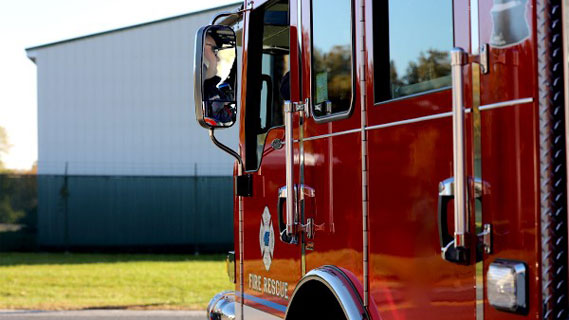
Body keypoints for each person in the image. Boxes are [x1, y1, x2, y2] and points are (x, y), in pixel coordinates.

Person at [203, 33, 235, 125]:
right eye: (213, 50)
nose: (218, 59)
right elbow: (220, 115)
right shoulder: (202, 91)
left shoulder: (212, 90)